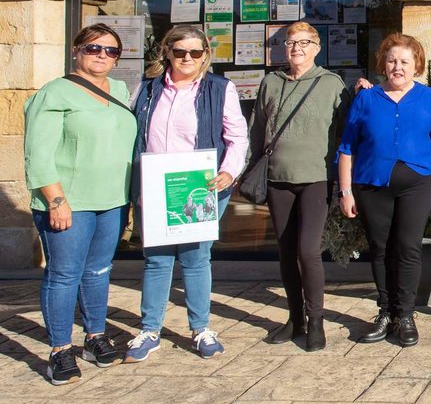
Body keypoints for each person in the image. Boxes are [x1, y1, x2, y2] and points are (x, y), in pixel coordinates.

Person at [125, 25, 249, 362]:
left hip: (201, 185)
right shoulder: (147, 89)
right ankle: (149, 330)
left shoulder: (220, 88)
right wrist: (135, 186)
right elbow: (133, 136)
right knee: (157, 260)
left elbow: (237, 135)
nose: (187, 58)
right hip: (155, 184)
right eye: (180, 51)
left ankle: (201, 328)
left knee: (196, 259)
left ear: (205, 55)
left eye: (196, 52)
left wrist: (229, 170)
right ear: (167, 52)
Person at [23, 24, 137, 384]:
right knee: (63, 275)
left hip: (112, 200)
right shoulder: (55, 93)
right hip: (69, 201)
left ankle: (95, 337)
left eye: (111, 50)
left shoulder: (119, 90)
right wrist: (55, 200)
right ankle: (60, 349)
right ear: (76, 50)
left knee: (99, 271)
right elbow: (37, 154)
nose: (102, 55)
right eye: (94, 48)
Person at [339, 33, 431, 346]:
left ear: (416, 65)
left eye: (404, 61)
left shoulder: (429, 97)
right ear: (383, 65)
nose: (397, 67)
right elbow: (347, 147)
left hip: (417, 184)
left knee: (408, 247)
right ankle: (385, 312)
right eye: (391, 61)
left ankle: (405, 315)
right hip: (372, 183)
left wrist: (427, 172)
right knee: (381, 248)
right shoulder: (366, 98)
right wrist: (345, 191)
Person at [250, 21, 350, 352]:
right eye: (291, 42)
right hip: (278, 178)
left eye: (305, 43)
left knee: (308, 251)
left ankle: (316, 320)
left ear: (317, 48)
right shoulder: (270, 83)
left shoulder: (331, 84)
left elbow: (348, 131)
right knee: (286, 251)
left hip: (316, 178)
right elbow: (258, 130)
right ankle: (295, 319)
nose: (297, 48)